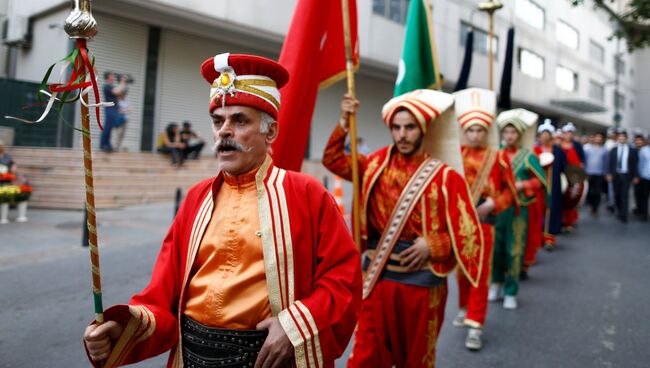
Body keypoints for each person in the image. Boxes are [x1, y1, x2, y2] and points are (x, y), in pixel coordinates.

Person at [83, 53, 362, 368]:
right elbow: (161, 296)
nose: (224, 131)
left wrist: (295, 325)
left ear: (270, 132)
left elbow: (344, 280)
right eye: (218, 121)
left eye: (240, 120)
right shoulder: (196, 198)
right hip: (191, 358)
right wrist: (119, 331)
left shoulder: (306, 194)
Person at [323, 89, 485, 367]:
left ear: (423, 128)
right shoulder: (372, 164)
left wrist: (434, 245)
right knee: (366, 357)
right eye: (396, 127)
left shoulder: (446, 177)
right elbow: (333, 160)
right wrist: (343, 119)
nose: (402, 134)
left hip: (422, 283)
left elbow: (468, 233)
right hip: (377, 277)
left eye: (409, 127)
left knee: (416, 359)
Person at [453, 88, 516, 351]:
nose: (476, 134)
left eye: (480, 130)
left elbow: (510, 193)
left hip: (486, 224)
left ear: (487, 131)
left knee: (480, 274)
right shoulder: (455, 156)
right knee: (461, 273)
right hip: (460, 224)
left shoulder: (499, 158)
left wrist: (493, 203)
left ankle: (475, 325)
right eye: (471, 130)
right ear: (465, 132)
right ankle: (464, 306)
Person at [492, 109, 546, 309]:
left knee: (514, 250)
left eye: (513, 132)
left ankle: (511, 291)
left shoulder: (527, 156)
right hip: (497, 209)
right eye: (506, 132)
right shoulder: (495, 153)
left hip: (517, 210)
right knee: (495, 250)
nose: (509, 136)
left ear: (519, 135)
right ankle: (496, 282)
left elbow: (540, 181)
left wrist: (523, 185)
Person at [534, 120, 568, 250]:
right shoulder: (535, 149)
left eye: (547, 134)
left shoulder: (558, 150)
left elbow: (565, 167)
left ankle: (549, 237)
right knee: (537, 210)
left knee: (552, 210)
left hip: (553, 186)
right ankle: (537, 237)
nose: (545, 136)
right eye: (543, 134)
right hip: (538, 185)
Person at [607, 128, 639, 223]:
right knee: (617, 195)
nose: (621, 139)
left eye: (623, 137)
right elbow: (610, 163)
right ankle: (619, 210)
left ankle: (623, 215)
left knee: (624, 195)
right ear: (618, 138)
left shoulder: (632, 150)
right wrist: (609, 173)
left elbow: (635, 164)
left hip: (626, 175)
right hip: (615, 175)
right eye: (620, 137)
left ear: (626, 138)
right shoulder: (613, 150)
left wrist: (635, 176)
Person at [559, 123, 585, 232]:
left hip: (574, 175)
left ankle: (570, 220)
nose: (568, 135)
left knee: (572, 197)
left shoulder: (577, 145)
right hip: (562, 174)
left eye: (570, 133)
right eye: (566, 133)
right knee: (561, 198)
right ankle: (561, 220)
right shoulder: (559, 145)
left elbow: (582, 161)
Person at [101, 72, 127, 152]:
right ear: (108, 77)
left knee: (109, 127)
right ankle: (104, 145)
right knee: (108, 127)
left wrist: (123, 84)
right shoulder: (106, 86)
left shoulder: (111, 86)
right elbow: (116, 92)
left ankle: (107, 145)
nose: (113, 77)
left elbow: (119, 93)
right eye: (111, 76)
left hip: (114, 109)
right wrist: (122, 82)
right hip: (110, 109)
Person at [584, 132, 609, 217]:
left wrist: (606, 174)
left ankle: (595, 208)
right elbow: (585, 161)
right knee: (590, 191)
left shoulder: (604, 150)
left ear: (602, 140)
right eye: (597, 137)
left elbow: (606, 163)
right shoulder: (588, 149)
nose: (598, 139)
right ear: (594, 138)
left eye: (600, 138)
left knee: (598, 192)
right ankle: (591, 204)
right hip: (589, 173)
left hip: (599, 174)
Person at [632, 132, 646, 217]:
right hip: (636, 176)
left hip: (645, 176)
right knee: (637, 193)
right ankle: (639, 208)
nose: (638, 142)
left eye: (640, 141)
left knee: (644, 194)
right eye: (637, 141)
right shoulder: (633, 150)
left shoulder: (646, 151)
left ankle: (643, 210)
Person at [637, 135, 650, 222]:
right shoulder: (643, 150)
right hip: (645, 177)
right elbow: (639, 164)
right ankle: (644, 214)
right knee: (644, 197)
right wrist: (639, 176)